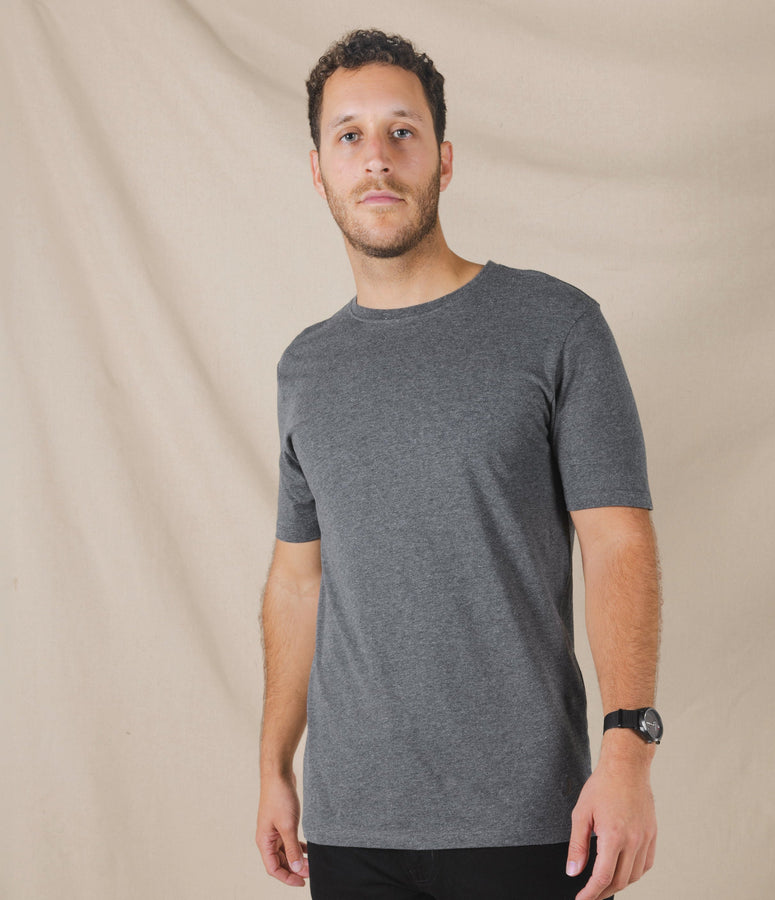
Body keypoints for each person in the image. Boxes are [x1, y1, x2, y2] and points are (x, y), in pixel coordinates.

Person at [255, 28, 663, 900]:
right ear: (319, 170)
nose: (376, 157)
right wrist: (273, 766)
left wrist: (628, 749)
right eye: (349, 135)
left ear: (443, 160)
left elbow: (617, 541)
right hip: (351, 827)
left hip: (530, 821)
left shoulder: (556, 327)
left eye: (401, 132)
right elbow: (297, 580)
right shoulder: (306, 368)